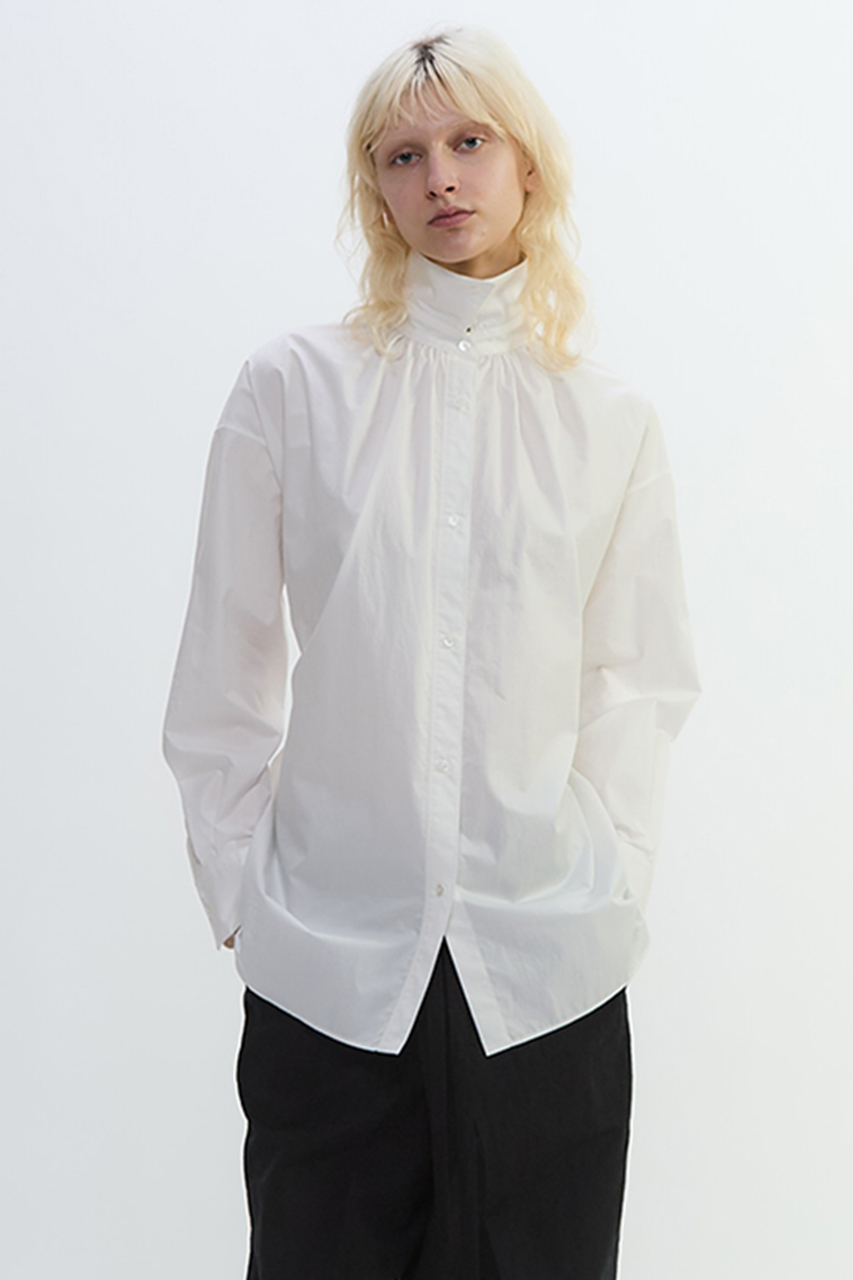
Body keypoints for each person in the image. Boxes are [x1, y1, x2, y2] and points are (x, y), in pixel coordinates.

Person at [162, 24, 701, 1280]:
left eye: (469, 142)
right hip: (331, 968)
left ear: (527, 163)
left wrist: (615, 879)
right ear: (375, 185)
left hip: (546, 971)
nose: (441, 178)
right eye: (403, 155)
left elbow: (637, 678)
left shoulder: (609, 420)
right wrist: (240, 893)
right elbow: (222, 664)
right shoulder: (291, 389)